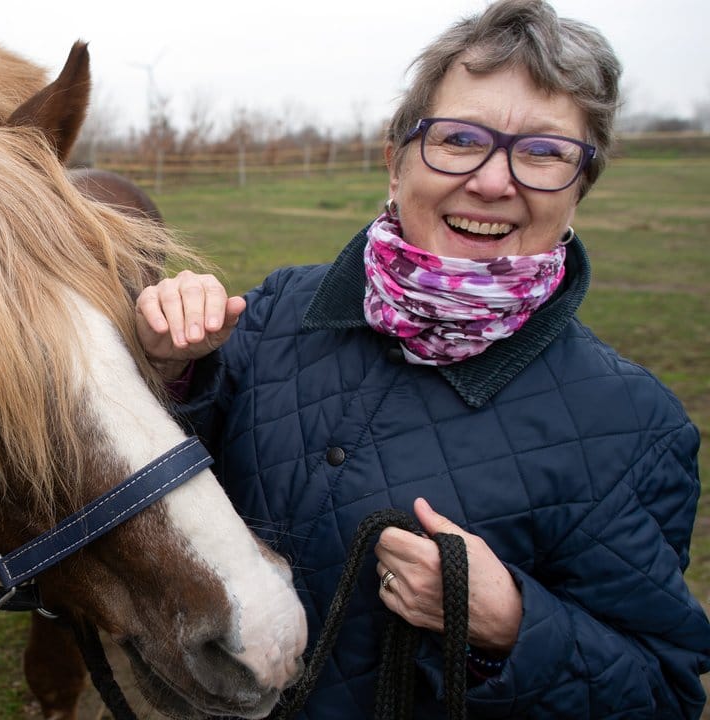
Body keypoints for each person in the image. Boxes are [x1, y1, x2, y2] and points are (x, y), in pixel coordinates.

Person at [134, 0, 710, 717]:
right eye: (461, 139)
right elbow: (174, 474)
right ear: (395, 159)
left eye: (543, 153)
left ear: (578, 189)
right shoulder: (282, 308)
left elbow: (660, 692)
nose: (496, 182)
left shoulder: (632, 428)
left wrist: (509, 626)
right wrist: (173, 369)